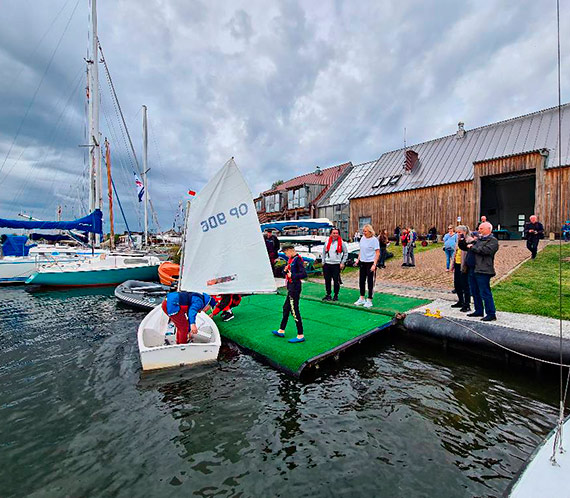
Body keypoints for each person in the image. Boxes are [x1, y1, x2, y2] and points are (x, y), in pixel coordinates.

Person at [458, 221, 499, 321]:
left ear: (488, 229)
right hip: (473, 269)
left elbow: (486, 251)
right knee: (475, 291)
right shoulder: (479, 240)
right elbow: (465, 247)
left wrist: (473, 247)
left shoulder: (492, 241)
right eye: (479, 228)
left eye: (481, 229)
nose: (479, 230)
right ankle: (479, 310)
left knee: (485, 292)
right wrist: (462, 240)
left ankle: (491, 313)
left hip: (483, 270)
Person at [272, 244, 307, 343]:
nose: (286, 255)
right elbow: (285, 274)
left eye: (286, 252)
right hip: (291, 288)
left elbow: (304, 274)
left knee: (294, 311)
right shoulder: (291, 260)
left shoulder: (298, 260)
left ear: (290, 250)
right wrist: (285, 270)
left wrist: (293, 275)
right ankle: (281, 330)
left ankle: (300, 335)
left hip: (295, 288)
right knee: (285, 308)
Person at [354, 224, 380, 308]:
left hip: (370, 262)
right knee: (361, 280)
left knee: (370, 282)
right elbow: (361, 250)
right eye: (363, 231)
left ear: (370, 231)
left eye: (365, 231)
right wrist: (358, 259)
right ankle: (362, 298)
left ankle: (369, 300)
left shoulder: (374, 240)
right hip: (363, 262)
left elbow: (377, 253)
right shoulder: (362, 239)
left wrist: (374, 264)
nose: (363, 233)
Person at [322, 228, 348, 301]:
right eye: (334, 233)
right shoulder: (327, 242)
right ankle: (328, 294)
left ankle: (336, 295)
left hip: (336, 264)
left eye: (337, 233)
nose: (335, 235)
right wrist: (323, 261)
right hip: (327, 264)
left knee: (336, 281)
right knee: (327, 280)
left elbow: (345, 253)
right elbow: (324, 252)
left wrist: (342, 262)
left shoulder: (341, 242)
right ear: (331, 234)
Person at [451, 225, 471, 312]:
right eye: (457, 232)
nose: (458, 234)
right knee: (457, 284)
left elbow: (468, 252)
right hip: (457, 264)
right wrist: (452, 265)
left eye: (459, 232)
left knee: (465, 285)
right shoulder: (458, 241)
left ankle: (467, 304)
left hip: (464, 265)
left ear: (464, 232)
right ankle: (460, 301)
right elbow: (455, 253)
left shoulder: (469, 240)